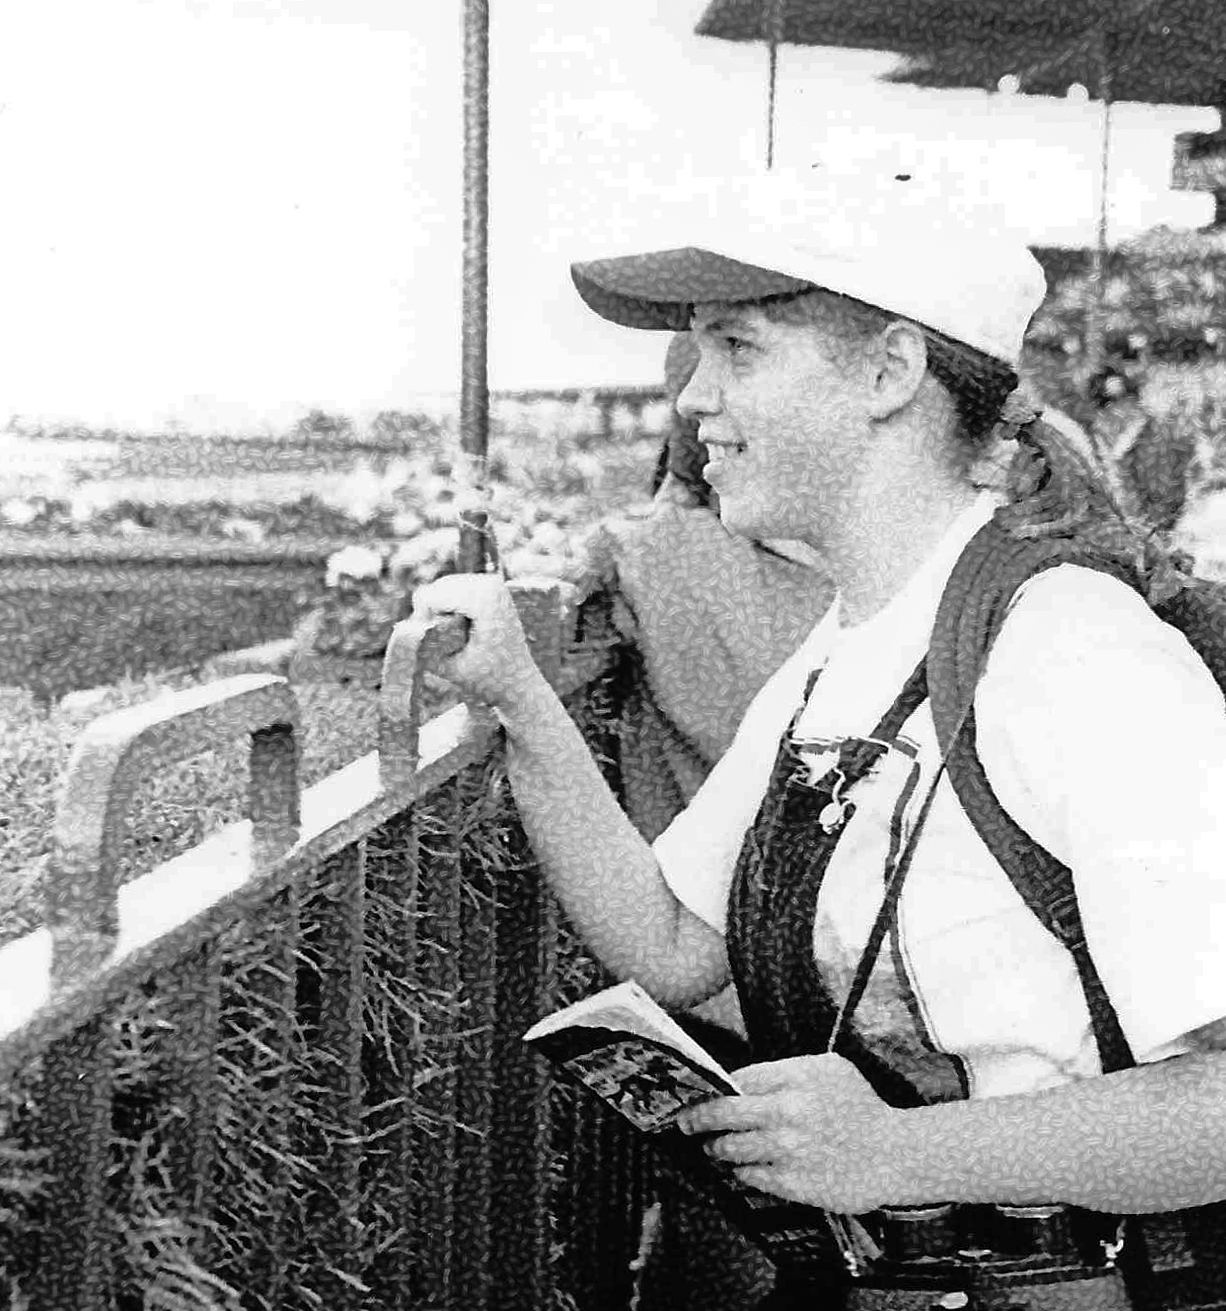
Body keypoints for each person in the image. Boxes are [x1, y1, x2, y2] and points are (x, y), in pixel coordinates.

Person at [410, 171, 1226, 1310]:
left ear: (890, 373)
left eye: (737, 348)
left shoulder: (1069, 649)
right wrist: (518, 701)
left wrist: (894, 1155)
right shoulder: (858, 638)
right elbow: (676, 942)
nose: (691, 400)